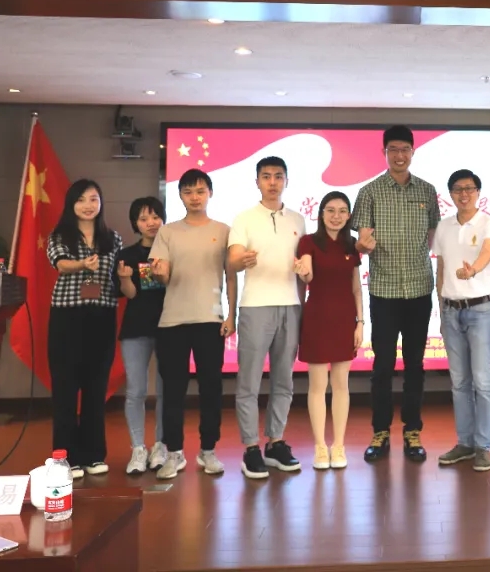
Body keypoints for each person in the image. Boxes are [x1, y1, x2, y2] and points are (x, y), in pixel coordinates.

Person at [352, 125, 440, 463]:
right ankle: (380, 431)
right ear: (384, 153)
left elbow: (431, 237)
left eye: (405, 149)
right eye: (393, 149)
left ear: (413, 152)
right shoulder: (370, 191)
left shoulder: (427, 191)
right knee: (383, 365)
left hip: (418, 289)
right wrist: (362, 245)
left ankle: (413, 431)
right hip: (384, 291)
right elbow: (363, 239)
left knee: (415, 364)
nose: (399, 155)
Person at [150, 169, 236, 479]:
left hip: (210, 320)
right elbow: (160, 275)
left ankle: (208, 450)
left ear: (210, 193)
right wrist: (159, 272)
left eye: (200, 191)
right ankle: (174, 453)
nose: (195, 197)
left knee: (211, 388)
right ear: (180, 196)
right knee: (173, 390)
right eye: (188, 192)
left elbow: (230, 276)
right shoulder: (167, 232)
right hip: (172, 320)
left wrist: (231, 315)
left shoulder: (224, 231)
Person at [228, 156, 307, 479]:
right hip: (255, 307)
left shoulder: (298, 220)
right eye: (266, 176)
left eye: (278, 176)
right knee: (249, 381)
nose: (272, 182)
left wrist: (303, 307)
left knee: (283, 380)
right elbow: (233, 259)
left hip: (291, 306)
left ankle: (275, 442)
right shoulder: (244, 218)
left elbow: (303, 269)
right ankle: (250, 448)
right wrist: (241, 260)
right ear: (257, 181)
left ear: (286, 181)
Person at [45, 179, 124, 478]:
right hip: (67, 317)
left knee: (95, 387)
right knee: (65, 389)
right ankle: (65, 458)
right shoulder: (60, 235)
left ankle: (93, 455)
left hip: (101, 317)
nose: (88, 205)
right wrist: (81, 265)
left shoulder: (113, 239)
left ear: (100, 203)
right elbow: (60, 264)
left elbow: (117, 278)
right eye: (81, 200)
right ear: (71, 204)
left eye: (93, 199)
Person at [433, 170, 490, 473]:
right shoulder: (444, 226)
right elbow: (441, 269)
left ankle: (483, 446)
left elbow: (487, 251)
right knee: (459, 382)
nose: (464, 194)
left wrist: (472, 270)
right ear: (450, 194)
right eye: (458, 189)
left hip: (480, 310)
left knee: (483, 381)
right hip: (451, 310)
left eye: (470, 189)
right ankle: (465, 443)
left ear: (478, 192)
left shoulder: (489, 222)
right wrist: (440, 309)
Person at [295, 191, 363, 470]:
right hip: (317, 318)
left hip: (345, 319)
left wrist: (361, 322)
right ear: (321, 213)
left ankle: (339, 446)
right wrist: (303, 272)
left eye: (342, 211)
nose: (336, 216)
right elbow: (308, 274)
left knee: (341, 385)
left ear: (349, 216)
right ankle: (320, 447)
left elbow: (356, 287)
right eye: (330, 210)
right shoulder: (308, 241)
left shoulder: (351, 245)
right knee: (317, 386)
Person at [116, 196, 168, 474]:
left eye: (155, 216)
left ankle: (161, 445)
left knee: (165, 390)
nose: (151, 223)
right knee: (136, 390)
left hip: (170, 327)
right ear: (135, 224)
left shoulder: (173, 250)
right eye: (144, 218)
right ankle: (138, 448)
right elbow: (131, 294)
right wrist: (125, 278)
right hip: (136, 328)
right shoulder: (127, 254)